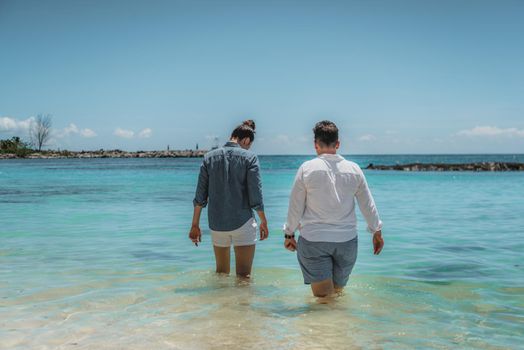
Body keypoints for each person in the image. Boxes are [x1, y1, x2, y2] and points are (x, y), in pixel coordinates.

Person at [283, 120, 384, 297]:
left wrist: (289, 233)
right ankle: (341, 325)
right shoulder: (354, 169)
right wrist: (376, 231)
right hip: (347, 243)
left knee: (324, 300)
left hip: (314, 241)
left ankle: (328, 325)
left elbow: (295, 206)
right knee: (336, 295)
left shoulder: (307, 168)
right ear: (337, 144)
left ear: (316, 145)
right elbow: (367, 204)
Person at [189, 120, 269, 278]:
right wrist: (263, 221)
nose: (248, 148)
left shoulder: (208, 158)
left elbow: (200, 197)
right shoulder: (250, 158)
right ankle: (240, 303)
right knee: (244, 276)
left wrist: (195, 225)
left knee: (221, 274)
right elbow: (255, 195)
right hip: (243, 222)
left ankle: (222, 302)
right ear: (246, 140)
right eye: (249, 145)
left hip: (217, 224)